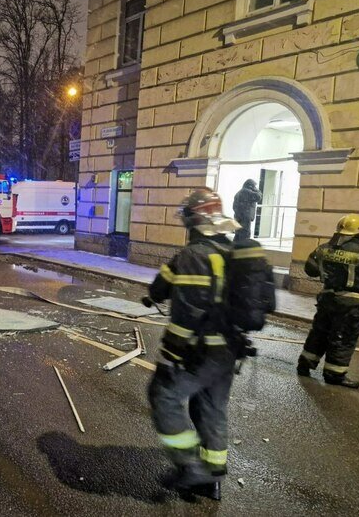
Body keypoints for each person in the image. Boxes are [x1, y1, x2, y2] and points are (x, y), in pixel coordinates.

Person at [146, 188, 240, 501]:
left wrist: (172, 355)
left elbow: (170, 298)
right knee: (211, 407)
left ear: (194, 220)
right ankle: (212, 478)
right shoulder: (234, 253)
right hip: (228, 350)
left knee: (164, 395)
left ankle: (189, 465)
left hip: (195, 349)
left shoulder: (191, 256)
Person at [297, 214, 359, 388]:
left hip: (327, 299)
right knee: (343, 338)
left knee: (319, 332)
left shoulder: (323, 249)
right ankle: (334, 374)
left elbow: (310, 270)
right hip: (351, 304)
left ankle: (305, 364)